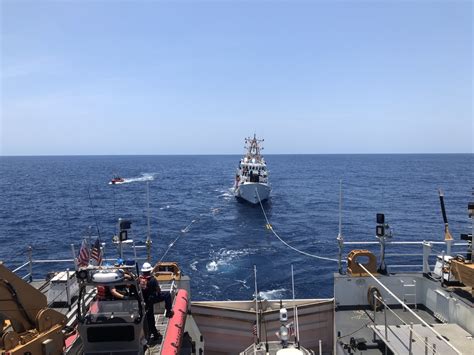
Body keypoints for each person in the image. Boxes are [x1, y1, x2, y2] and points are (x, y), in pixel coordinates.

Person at [140, 262, 174, 342]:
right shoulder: (153, 279)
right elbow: (158, 290)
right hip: (152, 298)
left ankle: (154, 334)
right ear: (150, 271)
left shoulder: (140, 280)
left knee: (150, 317)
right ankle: (168, 311)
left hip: (145, 300)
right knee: (167, 295)